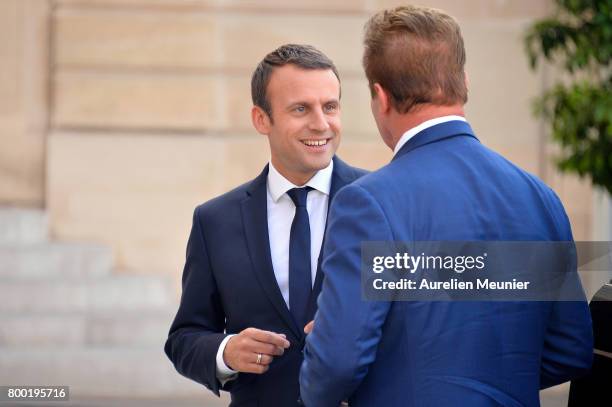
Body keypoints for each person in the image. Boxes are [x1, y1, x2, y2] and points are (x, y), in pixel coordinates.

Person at [299, 6, 593, 407]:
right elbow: (570, 349)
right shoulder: (540, 197)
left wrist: (322, 342)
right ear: (464, 82)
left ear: (381, 97)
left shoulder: (368, 203)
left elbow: (336, 366)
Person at [164, 44, 366, 406]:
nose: (321, 123)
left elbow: (420, 323)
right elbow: (184, 338)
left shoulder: (381, 203)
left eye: (330, 106)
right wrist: (226, 352)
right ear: (262, 119)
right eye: (301, 108)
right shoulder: (214, 221)